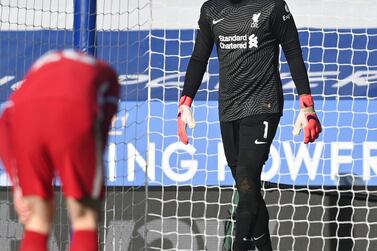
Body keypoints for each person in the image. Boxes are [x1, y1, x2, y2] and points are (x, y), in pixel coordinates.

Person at [177, 0, 322, 250]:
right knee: (247, 186)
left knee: (246, 177)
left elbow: (293, 53)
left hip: (263, 105)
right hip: (228, 108)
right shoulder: (211, 9)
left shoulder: (273, 7)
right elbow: (199, 57)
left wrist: (307, 106)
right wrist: (185, 103)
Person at [0, 49, 119, 251]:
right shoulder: (107, 73)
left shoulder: (37, 70)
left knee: (36, 219)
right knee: (85, 216)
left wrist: (17, 186)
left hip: (24, 116)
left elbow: (5, 122)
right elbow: (101, 127)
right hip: (73, 111)